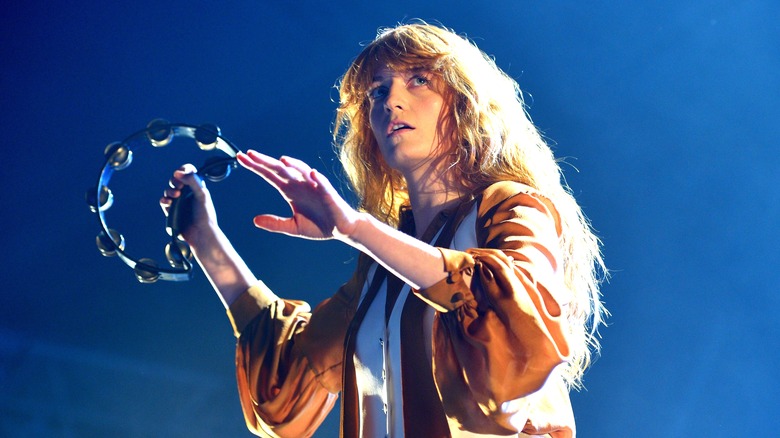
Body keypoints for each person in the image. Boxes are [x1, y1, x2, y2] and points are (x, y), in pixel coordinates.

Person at [161, 22, 606, 438]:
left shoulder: (511, 205)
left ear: (467, 101)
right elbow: (287, 385)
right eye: (377, 90)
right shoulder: (380, 271)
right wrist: (203, 236)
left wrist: (356, 228)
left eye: (419, 79)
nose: (391, 99)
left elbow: (519, 324)